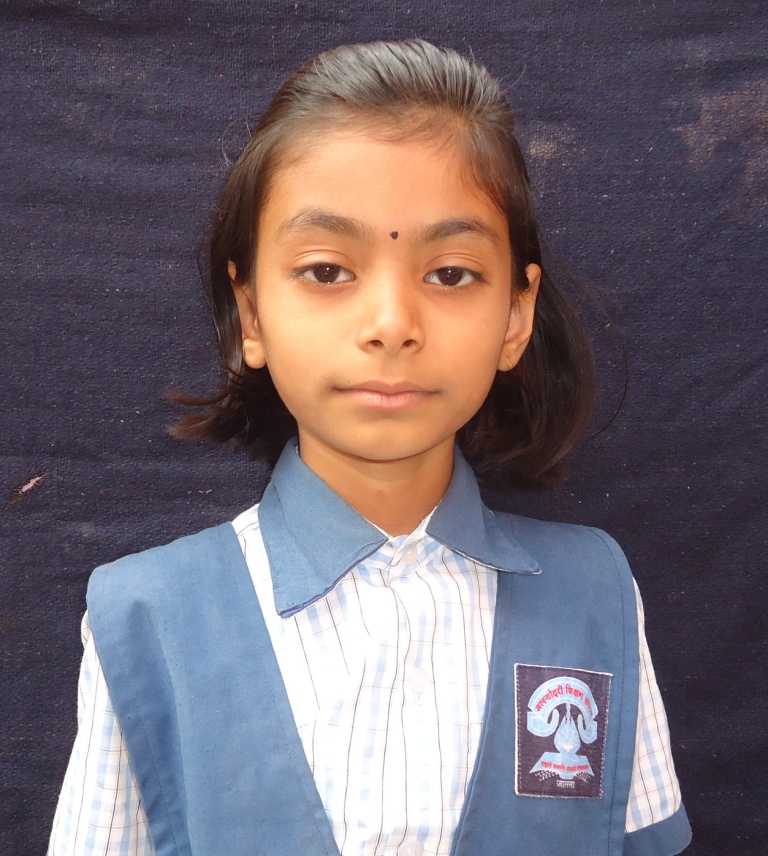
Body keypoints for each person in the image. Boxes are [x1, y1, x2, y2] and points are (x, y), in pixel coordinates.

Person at [48, 40, 691, 856]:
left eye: (450, 274)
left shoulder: (595, 595)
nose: (391, 323)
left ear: (516, 317)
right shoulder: (146, 620)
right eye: (326, 271)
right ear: (251, 314)